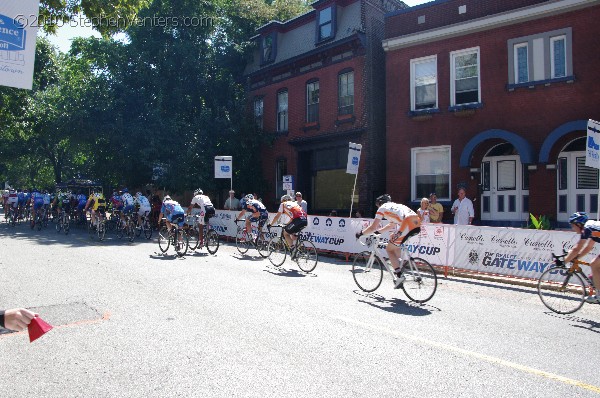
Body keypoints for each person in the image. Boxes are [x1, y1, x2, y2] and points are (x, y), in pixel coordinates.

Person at [355, 194, 421, 289]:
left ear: (380, 203)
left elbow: (373, 227)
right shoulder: (395, 207)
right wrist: (378, 232)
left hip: (407, 223)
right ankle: (398, 264)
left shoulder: (382, 208)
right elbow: (391, 225)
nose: (378, 207)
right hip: (417, 224)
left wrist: (361, 233)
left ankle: (399, 275)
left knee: (389, 249)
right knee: (393, 240)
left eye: (377, 205)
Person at [563, 212, 600, 303]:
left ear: (579, 224)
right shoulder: (591, 227)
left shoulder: (586, 229)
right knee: (595, 265)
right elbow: (588, 247)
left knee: (594, 264)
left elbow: (577, 248)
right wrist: (577, 257)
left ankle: (598, 296)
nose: (573, 228)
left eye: (573, 225)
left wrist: (563, 262)